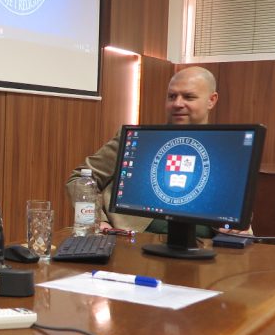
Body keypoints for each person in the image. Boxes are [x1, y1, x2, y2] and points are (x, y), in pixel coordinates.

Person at [67, 65, 222, 234]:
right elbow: (80, 179)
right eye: (172, 96)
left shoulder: (227, 148)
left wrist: (237, 228)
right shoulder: (135, 139)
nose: (177, 104)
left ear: (211, 100)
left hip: (208, 243)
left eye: (188, 97)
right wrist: (97, 221)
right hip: (134, 238)